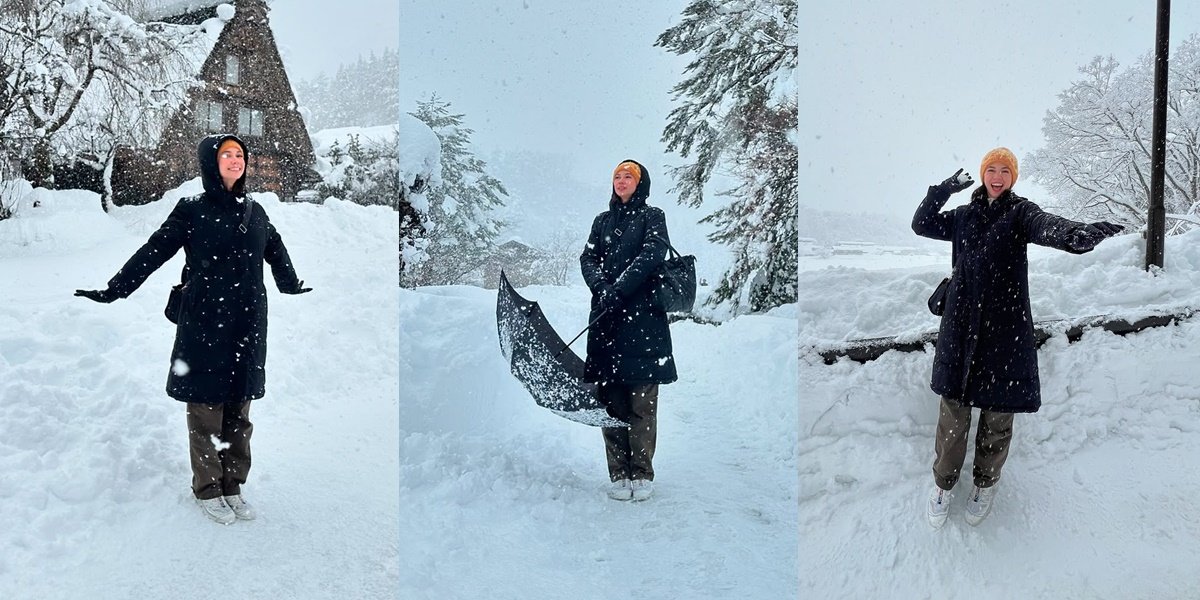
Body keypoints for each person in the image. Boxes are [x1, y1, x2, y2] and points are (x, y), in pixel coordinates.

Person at [75, 134, 311, 524]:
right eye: (226, 155)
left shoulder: (256, 210)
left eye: (240, 155)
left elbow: (276, 248)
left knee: (240, 405)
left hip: (248, 320)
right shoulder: (191, 210)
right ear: (210, 163)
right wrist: (115, 289)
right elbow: (153, 251)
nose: (235, 161)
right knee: (205, 406)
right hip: (205, 319)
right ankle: (207, 487)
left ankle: (233, 483)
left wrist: (289, 282)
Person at [912, 147, 1123, 528]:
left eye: (1004, 170)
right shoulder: (963, 217)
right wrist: (943, 189)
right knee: (953, 417)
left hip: (1004, 333)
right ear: (981, 174)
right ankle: (943, 484)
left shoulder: (1020, 213)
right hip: (960, 329)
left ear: (1013, 177)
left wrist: (1077, 234)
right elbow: (922, 224)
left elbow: (1047, 225)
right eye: (990, 169)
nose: (997, 176)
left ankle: (984, 484)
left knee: (997, 417)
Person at [580, 159, 678, 502]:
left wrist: (620, 288)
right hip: (606, 321)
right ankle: (619, 473)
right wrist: (602, 288)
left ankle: (642, 472)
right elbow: (587, 259)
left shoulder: (653, 217)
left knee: (642, 403)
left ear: (640, 184)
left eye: (628, 177)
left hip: (643, 321)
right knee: (611, 403)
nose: (622, 181)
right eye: (617, 177)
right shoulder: (601, 221)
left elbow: (653, 253)